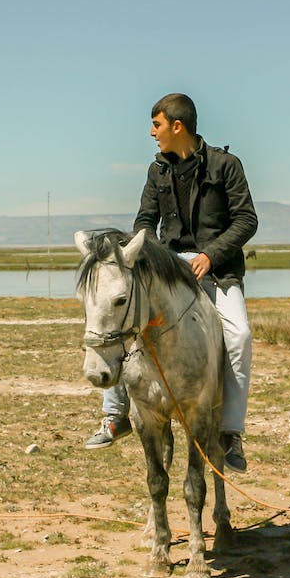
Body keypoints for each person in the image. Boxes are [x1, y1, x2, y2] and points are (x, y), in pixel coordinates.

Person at [84, 92, 258, 473]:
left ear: (177, 126)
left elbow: (246, 221)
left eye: (157, 125)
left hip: (217, 270)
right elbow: (144, 221)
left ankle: (230, 432)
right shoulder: (156, 171)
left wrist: (210, 254)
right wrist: (151, 255)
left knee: (240, 336)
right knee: (120, 316)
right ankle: (116, 416)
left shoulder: (227, 165)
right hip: (166, 267)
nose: (152, 133)